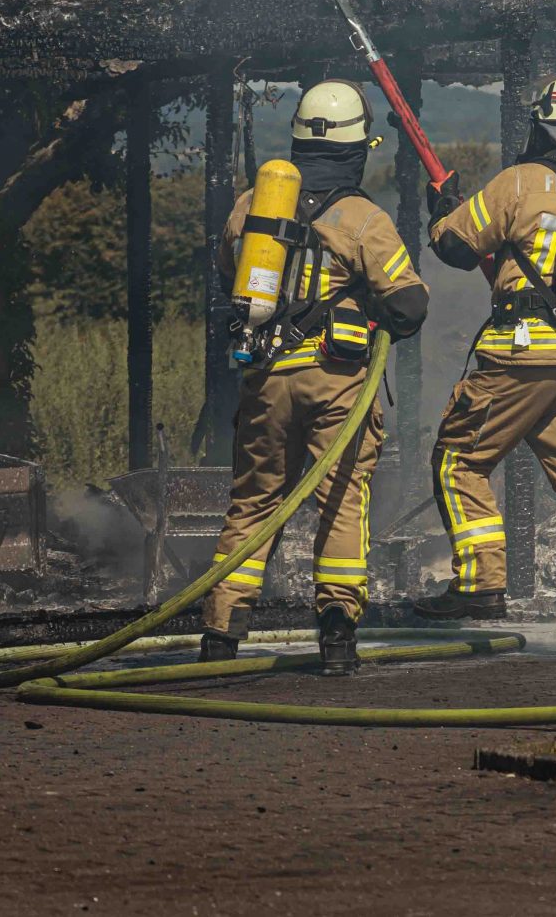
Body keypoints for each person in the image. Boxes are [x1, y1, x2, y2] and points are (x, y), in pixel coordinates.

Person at [413, 75, 556, 657]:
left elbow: (453, 246)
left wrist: (443, 209)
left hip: (519, 356)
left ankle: (481, 584)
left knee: (458, 461)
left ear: (546, 125)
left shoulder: (521, 183)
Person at [201, 80, 429, 676]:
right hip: (338, 383)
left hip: (268, 378)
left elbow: (231, 275)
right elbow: (409, 307)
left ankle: (221, 635)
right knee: (342, 501)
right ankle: (336, 637)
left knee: (253, 503)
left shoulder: (253, 203)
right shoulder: (363, 217)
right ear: (359, 148)